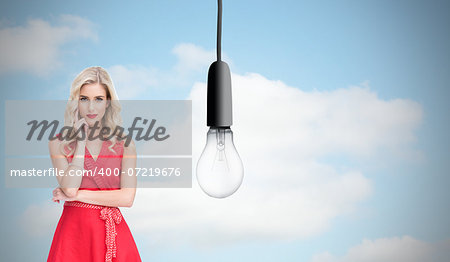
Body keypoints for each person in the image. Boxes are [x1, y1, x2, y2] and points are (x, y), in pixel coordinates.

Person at [47, 66, 142, 262]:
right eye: (84, 99)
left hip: (114, 236)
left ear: (108, 103)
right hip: (74, 237)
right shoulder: (58, 143)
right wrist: (80, 143)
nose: (91, 108)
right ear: (76, 102)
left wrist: (79, 195)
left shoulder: (125, 144)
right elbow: (70, 190)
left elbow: (127, 198)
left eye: (98, 99)